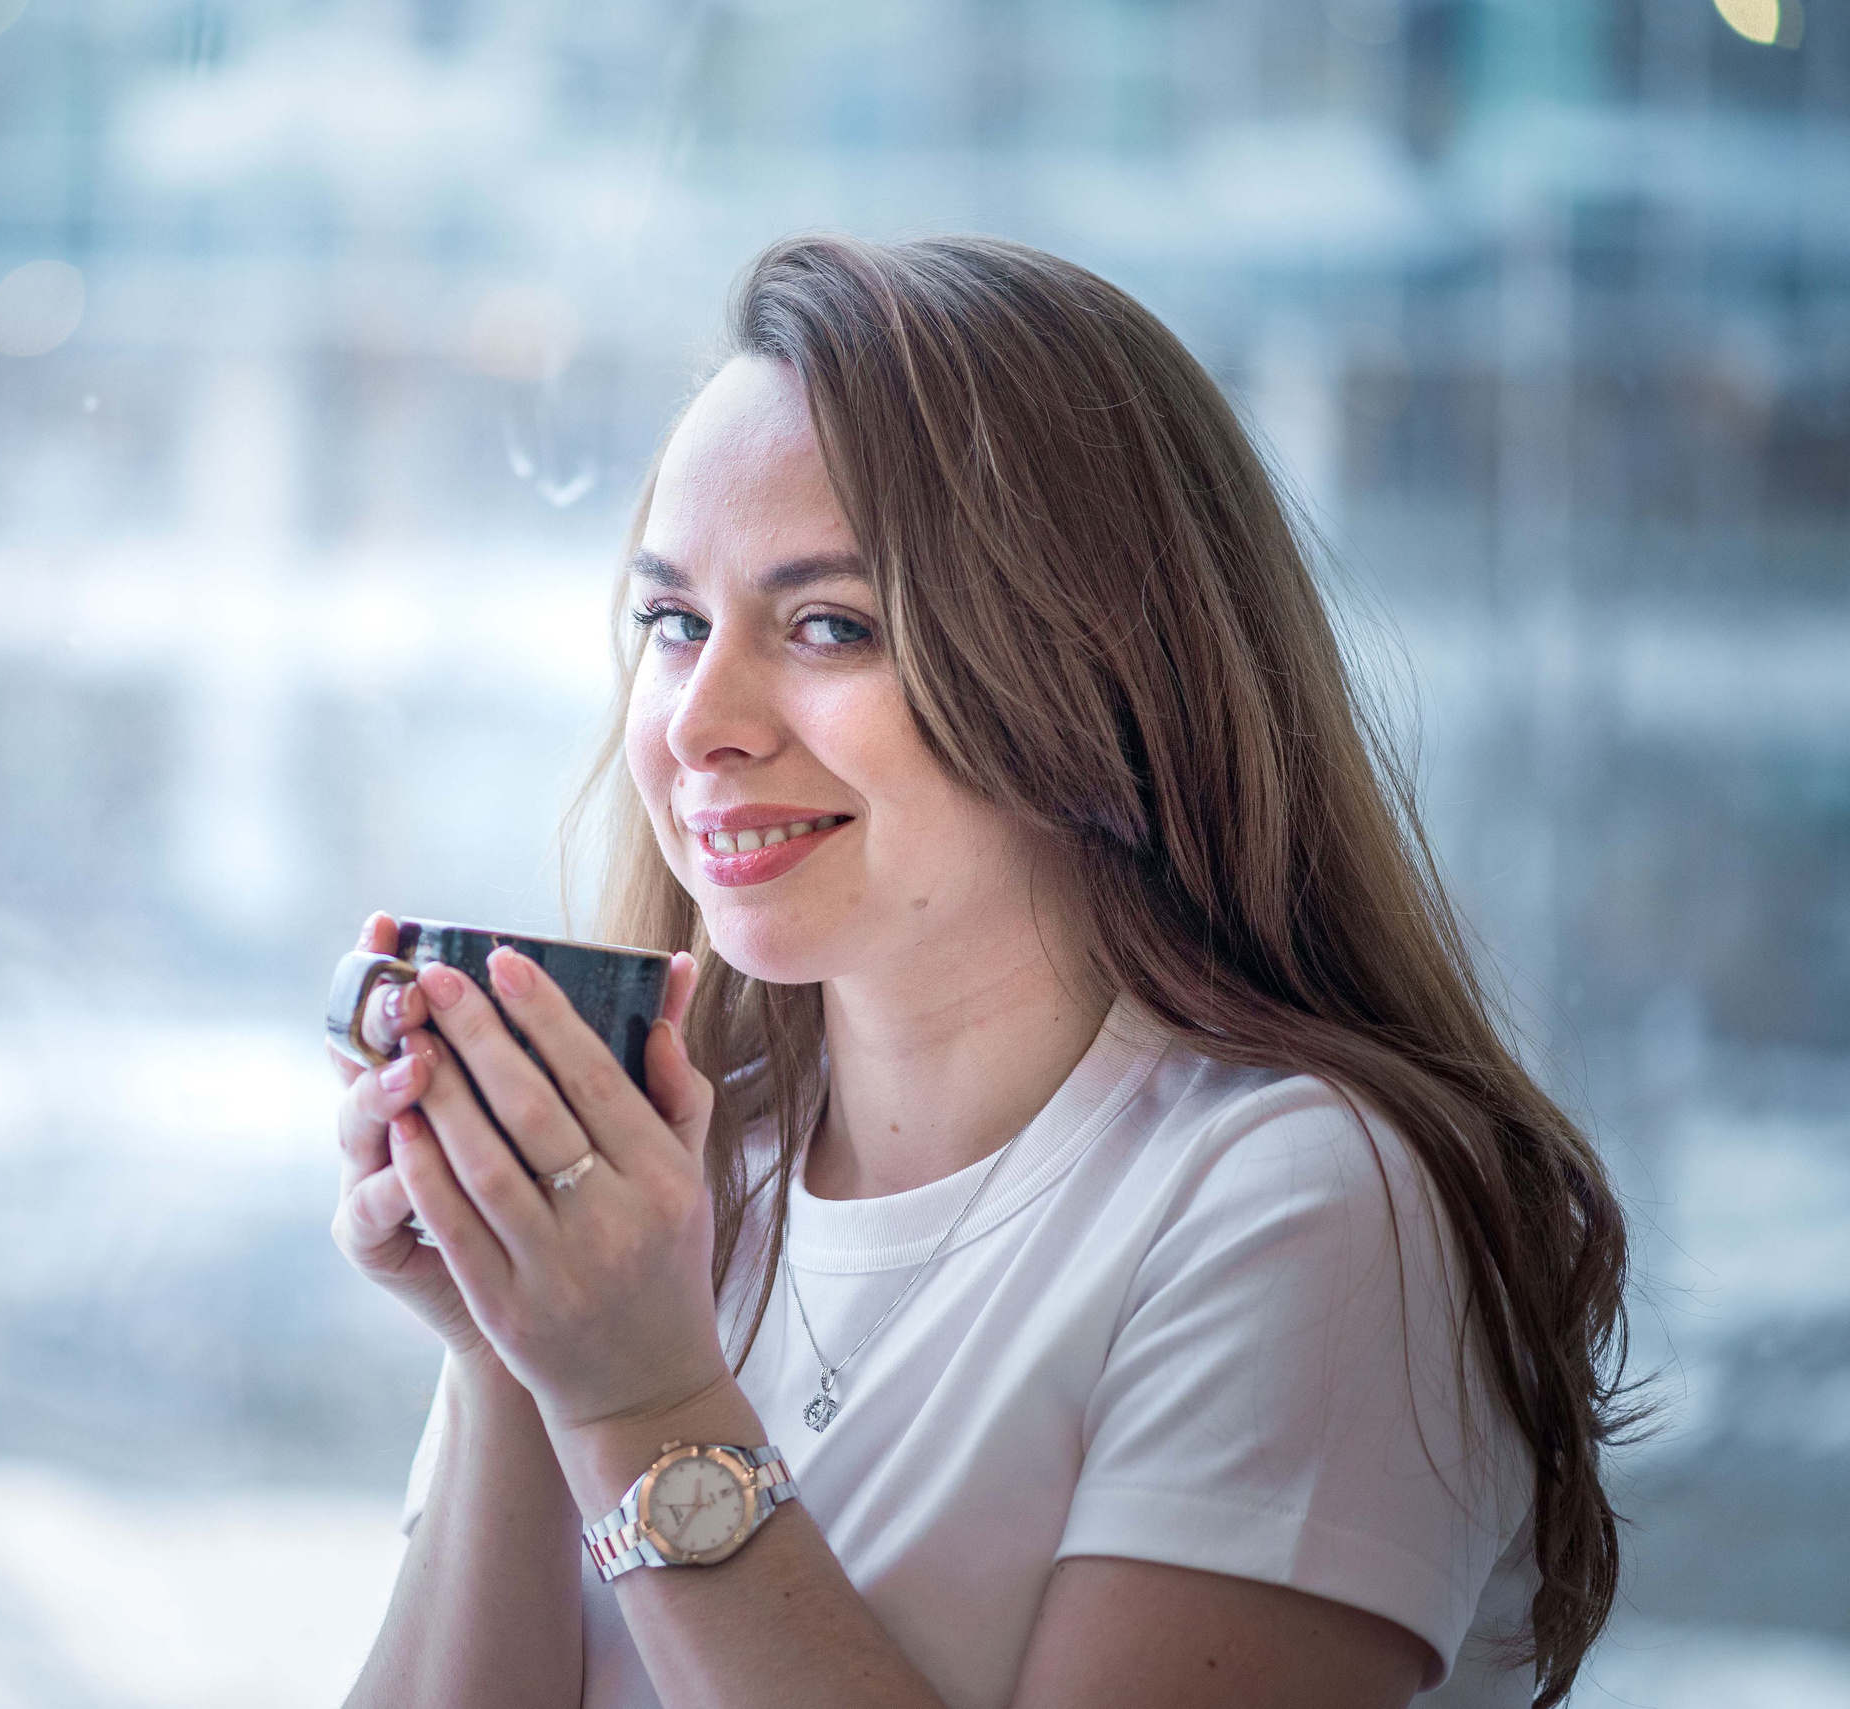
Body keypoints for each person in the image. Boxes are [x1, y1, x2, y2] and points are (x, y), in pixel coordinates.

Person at [325, 233, 1638, 1709]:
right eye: (674, 623)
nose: (696, 722)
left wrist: (642, 1399)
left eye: (830, 625)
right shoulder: (657, 1189)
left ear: (1092, 671)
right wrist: (511, 1346)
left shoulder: (1305, 1205)